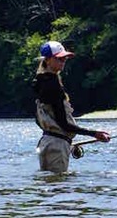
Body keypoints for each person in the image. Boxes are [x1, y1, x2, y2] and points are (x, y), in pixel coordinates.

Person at [33, 41, 110, 173]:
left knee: (47, 186)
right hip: (57, 145)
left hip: (45, 142)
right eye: (59, 59)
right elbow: (64, 124)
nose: (63, 61)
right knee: (59, 188)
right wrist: (95, 134)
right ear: (48, 60)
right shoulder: (53, 85)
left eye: (65, 58)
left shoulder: (38, 82)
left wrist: (58, 137)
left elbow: (38, 119)